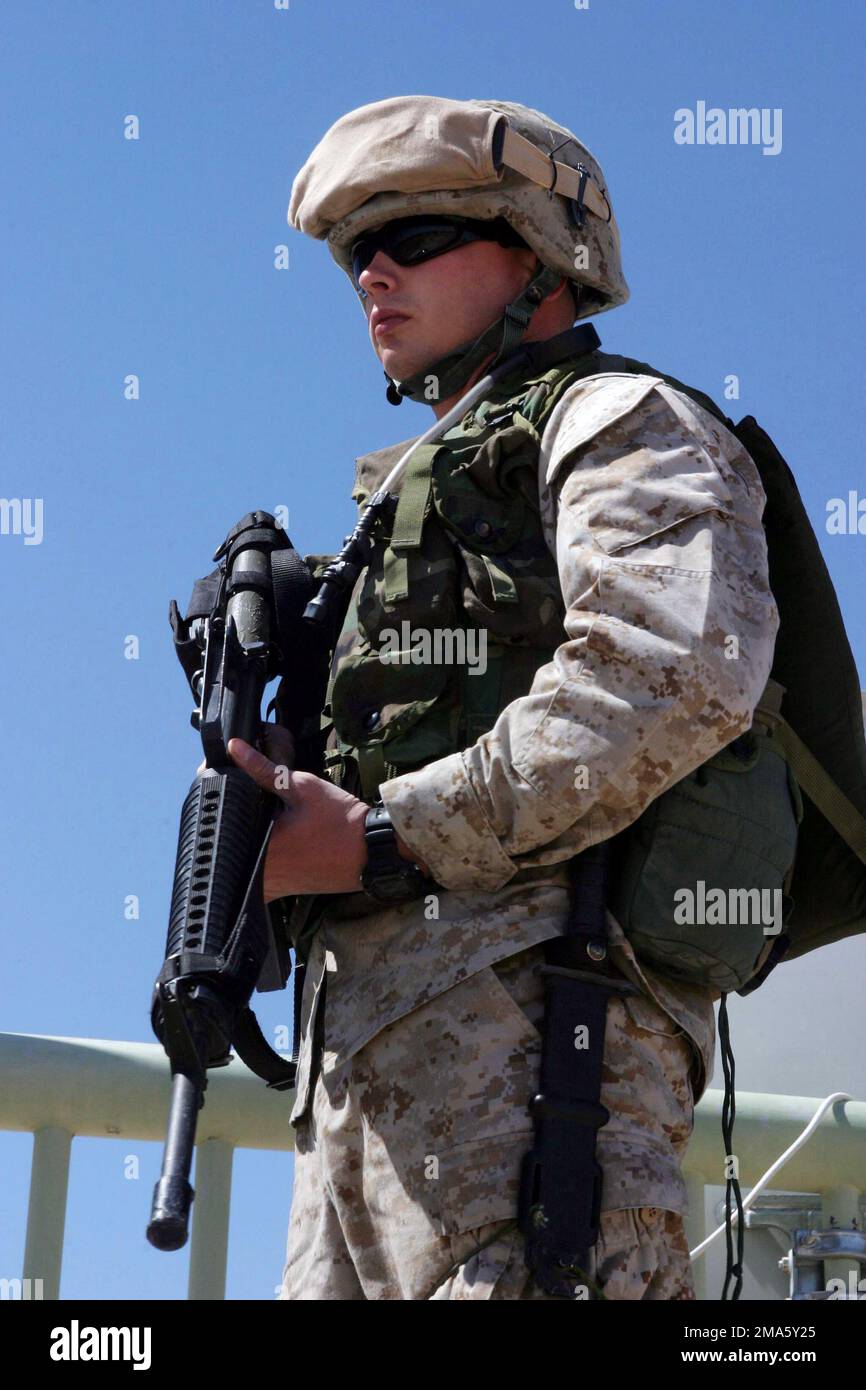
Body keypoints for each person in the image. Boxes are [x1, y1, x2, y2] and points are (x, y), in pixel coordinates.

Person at [227, 96, 779, 1300]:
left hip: (545, 1076)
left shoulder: (619, 418)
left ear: (534, 256)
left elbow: (673, 672)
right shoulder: (396, 506)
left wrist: (377, 836)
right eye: (353, 252)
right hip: (359, 1103)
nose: (372, 269)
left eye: (417, 233)